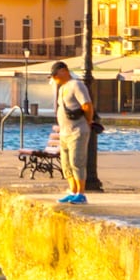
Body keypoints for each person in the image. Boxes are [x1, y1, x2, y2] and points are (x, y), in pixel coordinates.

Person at [51, 61, 96, 203]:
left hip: (77, 130)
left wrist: (88, 121)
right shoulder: (62, 88)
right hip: (64, 132)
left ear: (64, 71)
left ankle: (81, 194)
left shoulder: (77, 85)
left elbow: (87, 105)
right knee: (66, 164)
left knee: (77, 161)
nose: (54, 78)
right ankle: (73, 190)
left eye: (55, 74)